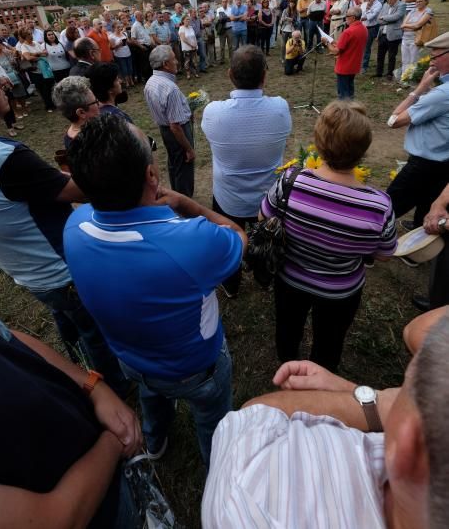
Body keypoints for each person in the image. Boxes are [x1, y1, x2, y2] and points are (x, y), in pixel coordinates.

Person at [64, 113, 247, 468]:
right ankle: (220, 469)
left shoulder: (75, 224)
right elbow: (239, 237)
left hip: (131, 359)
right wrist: (188, 205)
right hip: (196, 368)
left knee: (152, 394)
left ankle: (156, 438)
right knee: (213, 419)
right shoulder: (191, 241)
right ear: (151, 175)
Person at [202, 312, 449, 529]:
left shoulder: (249, 498)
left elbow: (259, 414)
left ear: (411, 444)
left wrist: (379, 404)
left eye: (406, 384)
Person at [0, 59, 127, 395]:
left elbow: (39, 185)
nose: (6, 83)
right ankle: (116, 387)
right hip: (59, 267)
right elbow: (79, 191)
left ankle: (75, 360)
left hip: (23, 266)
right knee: (94, 330)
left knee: (66, 320)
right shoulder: (3, 157)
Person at [260, 101, 397, 371]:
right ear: (363, 150)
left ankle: (287, 362)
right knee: (330, 341)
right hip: (341, 290)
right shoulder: (379, 206)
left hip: (290, 279)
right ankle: (321, 375)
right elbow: (384, 254)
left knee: (287, 327)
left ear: (319, 144)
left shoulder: (290, 181)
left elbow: (263, 217)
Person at [0, 308, 142, 529]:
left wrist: (93, 386)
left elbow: (3, 334)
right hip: (99, 512)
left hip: (103, 464)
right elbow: (56, 522)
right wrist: (111, 443)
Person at [202, 45, 291, 297]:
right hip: (268, 200)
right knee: (266, 241)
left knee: (228, 244)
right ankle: (264, 277)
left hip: (228, 199)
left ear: (230, 74)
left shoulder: (213, 112)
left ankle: (231, 284)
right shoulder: (280, 108)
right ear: (264, 75)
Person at [386, 31, 449, 232]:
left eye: (435, 56)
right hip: (443, 163)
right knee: (428, 204)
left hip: (423, 165)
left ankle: (369, 248)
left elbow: (394, 121)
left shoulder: (442, 94)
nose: (431, 62)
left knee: (388, 207)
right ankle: (416, 249)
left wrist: (420, 88)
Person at [144, 45, 195, 197]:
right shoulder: (169, 88)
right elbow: (175, 126)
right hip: (177, 131)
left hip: (164, 129)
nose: (177, 62)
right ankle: (184, 201)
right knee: (184, 164)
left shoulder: (150, 82)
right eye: (174, 59)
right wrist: (189, 149)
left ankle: (176, 194)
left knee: (174, 163)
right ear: (165, 64)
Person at [322, 6, 368, 99]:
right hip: (354, 66)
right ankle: (351, 109)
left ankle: (345, 112)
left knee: (343, 95)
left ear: (353, 18)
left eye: (347, 16)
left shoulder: (348, 32)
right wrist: (333, 42)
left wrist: (326, 43)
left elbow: (335, 52)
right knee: (350, 90)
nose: (345, 18)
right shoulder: (364, 29)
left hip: (345, 67)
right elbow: (349, 45)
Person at [52, 75, 100, 149]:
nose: (99, 104)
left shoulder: (71, 136)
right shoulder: (93, 142)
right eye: (96, 102)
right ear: (81, 112)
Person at [19, 26, 55, 112]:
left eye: (31, 33)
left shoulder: (36, 43)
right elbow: (28, 58)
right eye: (28, 34)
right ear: (24, 36)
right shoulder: (23, 46)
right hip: (35, 71)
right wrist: (39, 54)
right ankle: (48, 106)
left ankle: (52, 103)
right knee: (43, 89)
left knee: (50, 87)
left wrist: (34, 54)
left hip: (45, 69)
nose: (31, 35)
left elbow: (45, 53)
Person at [375, 0, 406, 79]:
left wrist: (384, 18)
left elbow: (396, 17)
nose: (389, 1)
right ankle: (378, 73)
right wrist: (387, 19)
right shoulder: (385, 5)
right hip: (382, 34)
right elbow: (378, 19)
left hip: (394, 35)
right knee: (380, 56)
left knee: (392, 56)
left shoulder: (402, 5)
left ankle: (389, 73)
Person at [401, 0, 433, 75]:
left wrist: (408, 25)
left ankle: (412, 79)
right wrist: (411, 26)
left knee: (414, 60)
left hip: (416, 39)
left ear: (426, 2)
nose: (418, 3)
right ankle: (405, 78)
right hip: (405, 38)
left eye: (420, 1)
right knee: (405, 60)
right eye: (416, 2)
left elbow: (418, 25)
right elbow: (403, 25)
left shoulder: (428, 11)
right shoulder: (412, 11)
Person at [360, 0, 383, 73]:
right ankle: (360, 63)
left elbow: (370, 17)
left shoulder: (378, 5)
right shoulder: (364, 4)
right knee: (361, 47)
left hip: (372, 28)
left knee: (367, 47)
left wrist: (368, 8)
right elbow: (361, 15)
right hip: (363, 27)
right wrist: (366, 9)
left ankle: (364, 66)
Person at [108, 20, 133, 88]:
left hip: (128, 53)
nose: (119, 28)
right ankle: (127, 82)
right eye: (117, 27)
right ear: (113, 28)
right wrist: (119, 44)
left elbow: (129, 42)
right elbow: (112, 48)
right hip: (119, 55)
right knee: (124, 69)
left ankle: (131, 81)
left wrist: (128, 41)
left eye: (119, 27)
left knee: (130, 68)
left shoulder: (124, 33)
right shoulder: (111, 36)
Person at [130, 10, 154, 81]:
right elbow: (133, 39)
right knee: (145, 64)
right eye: (140, 15)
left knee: (149, 63)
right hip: (142, 47)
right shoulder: (135, 26)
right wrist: (141, 46)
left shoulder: (142, 24)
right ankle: (147, 78)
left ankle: (151, 77)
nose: (142, 16)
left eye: (142, 15)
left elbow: (146, 35)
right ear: (136, 17)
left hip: (148, 46)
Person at [179, 14, 199, 80]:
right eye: (186, 19)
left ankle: (195, 72)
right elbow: (183, 39)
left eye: (189, 19)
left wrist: (195, 45)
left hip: (193, 47)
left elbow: (194, 37)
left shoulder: (191, 27)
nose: (188, 21)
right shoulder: (181, 28)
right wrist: (191, 45)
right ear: (183, 21)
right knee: (187, 61)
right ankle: (188, 74)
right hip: (186, 48)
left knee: (194, 60)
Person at [215, 0, 233, 64]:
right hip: (222, 30)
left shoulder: (230, 9)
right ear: (221, 3)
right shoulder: (219, 9)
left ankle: (231, 58)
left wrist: (225, 18)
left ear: (227, 2)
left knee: (230, 46)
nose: (224, 3)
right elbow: (219, 19)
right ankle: (222, 59)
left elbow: (231, 19)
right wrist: (227, 18)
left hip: (229, 29)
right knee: (222, 46)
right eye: (223, 1)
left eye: (225, 1)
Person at [189, 8, 207, 73]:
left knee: (202, 54)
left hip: (199, 38)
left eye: (195, 12)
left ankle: (202, 68)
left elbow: (201, 27)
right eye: (193, 12)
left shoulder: (198, 20)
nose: (195, 14)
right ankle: (194, 69)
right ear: (190, 13)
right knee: (193, 56)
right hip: (192, 40)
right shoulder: (189, 21)